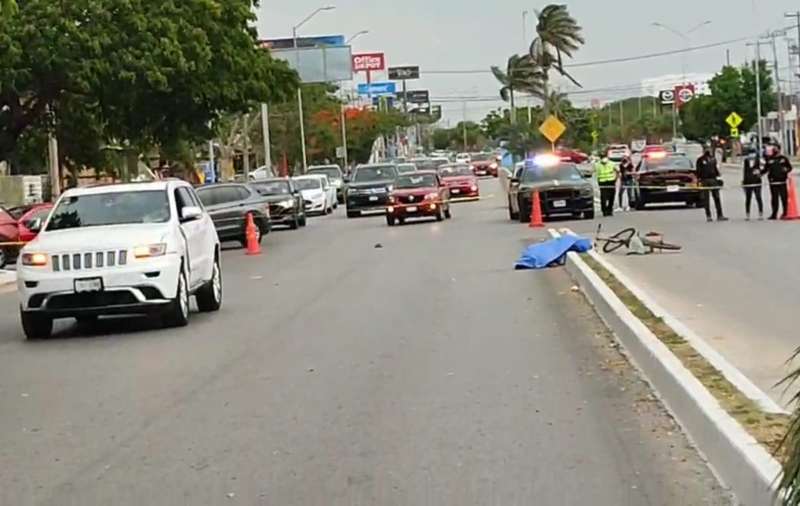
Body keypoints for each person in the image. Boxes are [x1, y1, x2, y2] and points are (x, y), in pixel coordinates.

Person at [695, 146, 728, 222]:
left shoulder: (713, 159)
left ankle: (720, 215)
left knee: (717, 198)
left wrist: (718, 176)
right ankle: (708, 215)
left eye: (708, 149)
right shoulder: (700, 160)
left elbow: (715, 169)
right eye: (706, 149)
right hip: (705, 180)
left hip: (713, 179)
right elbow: (698, 171)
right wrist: (699, 180)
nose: (707, 151)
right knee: (706, 199)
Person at [763, 144, 793, 219]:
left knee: (784, 198)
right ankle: (774, 214)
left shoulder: (783, 159)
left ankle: (785, 213)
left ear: (779, 149)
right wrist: (758, 174)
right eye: (774, 149)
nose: (774, 150)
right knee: (774, 198)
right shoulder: (769, 159)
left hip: (782, 181)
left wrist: (786, 170)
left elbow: (789, 167)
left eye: (776, 148)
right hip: (773, 182)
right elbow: (765, 169)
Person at [741, 148, 764, 220]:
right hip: (748, 182)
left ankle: (760, 213)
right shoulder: (746, 161)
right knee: (748, 198)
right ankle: (747, 214)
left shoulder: (758, 161)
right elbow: (745, 172)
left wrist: (759, 173)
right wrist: (744, 182)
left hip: (757, 182)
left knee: (758, 197)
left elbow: (763, 168)